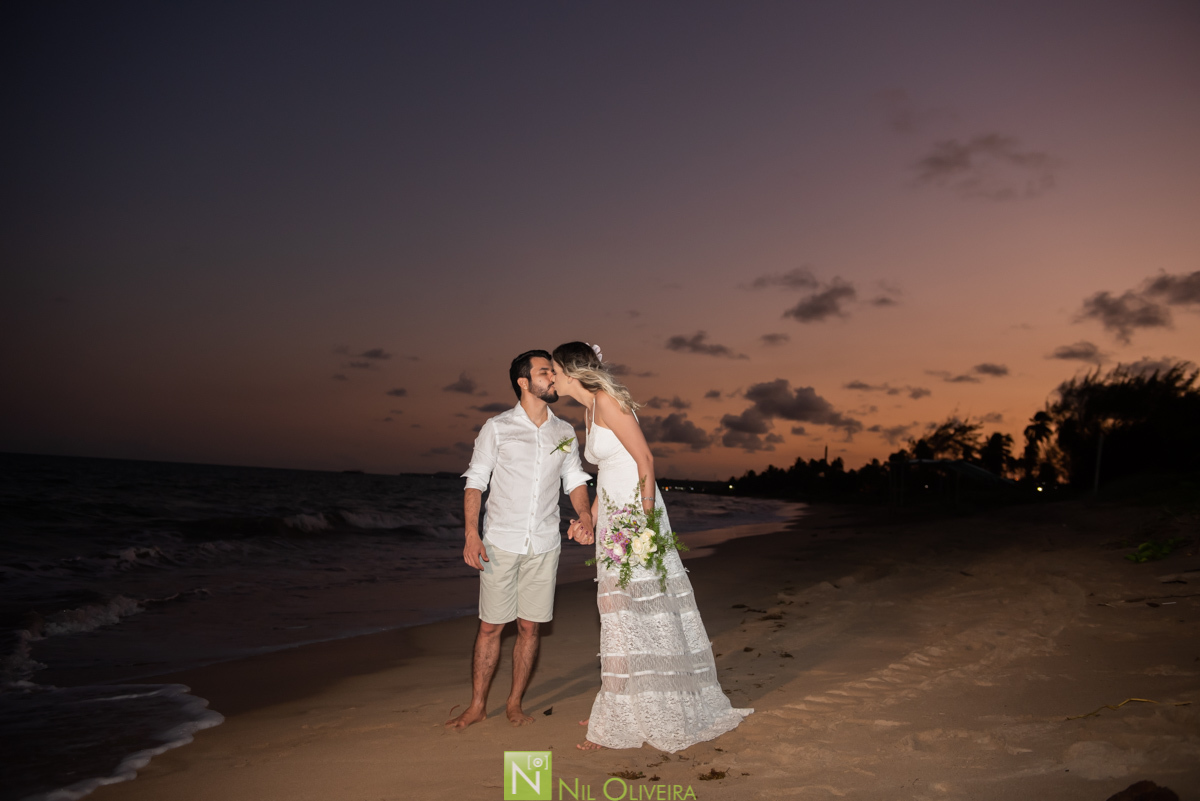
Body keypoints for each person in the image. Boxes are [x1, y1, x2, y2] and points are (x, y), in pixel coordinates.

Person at [551, 341, 751, 752]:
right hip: (613, 514)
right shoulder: (588, 409)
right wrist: (591, 519)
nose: (550, 377)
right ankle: (621, 705)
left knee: (645, 606)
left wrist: (644, 520)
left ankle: (659, 706)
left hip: (634, 514)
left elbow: (645, 459)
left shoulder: (606, 401)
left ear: (570, 371)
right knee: (620, 611)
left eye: (553, 369)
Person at [446, 350, 595, 730]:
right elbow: (476, 482)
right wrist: (471, 535)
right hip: (500, 541)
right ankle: (478, 704)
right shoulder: (496, 428)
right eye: (545, 371)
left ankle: (514, 703)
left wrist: (584, 514)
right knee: (491, 626)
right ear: (524, 382)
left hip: (545, 544)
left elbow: (575, 479)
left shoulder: (564, 431)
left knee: (530, 627)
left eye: (553, 371)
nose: (553, 377)